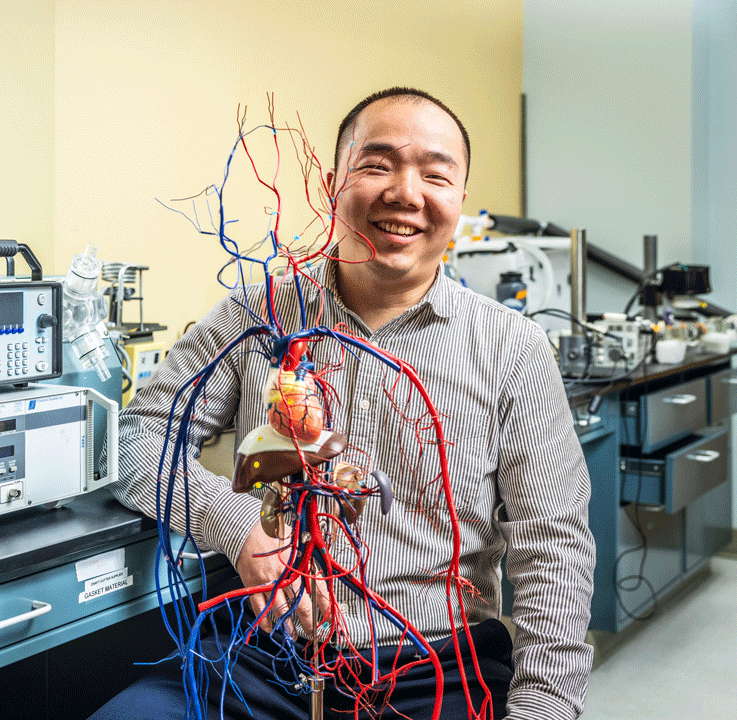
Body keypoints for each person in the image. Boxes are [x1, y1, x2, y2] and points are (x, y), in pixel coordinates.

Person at [89, 87, 595, 720]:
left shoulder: (512, 348)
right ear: (333, 183)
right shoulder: (260, 314)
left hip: (440, 667)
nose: (406, 193)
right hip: (268, 661)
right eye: (377, 164)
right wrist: (237, 522)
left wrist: (545, 706)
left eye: (435, 175)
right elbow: (136, 440)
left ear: (460, 201)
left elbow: (554, 547)